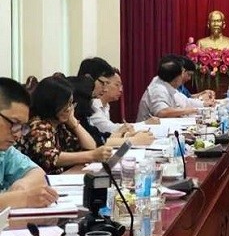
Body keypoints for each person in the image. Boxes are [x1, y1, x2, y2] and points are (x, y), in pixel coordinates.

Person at [15, 76, 112, 175]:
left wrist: (74, 123)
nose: (69, 109)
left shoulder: (59, 125)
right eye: (66, 104)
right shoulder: (38, 126)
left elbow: (90, 146)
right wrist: (92, 155)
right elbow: (52, 158)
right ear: (51, 103)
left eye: (71, 104)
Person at [0, 77, 58, 209]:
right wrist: (22, 198)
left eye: (22, 126)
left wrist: (23, 186)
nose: (18, 135)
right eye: (14, 123)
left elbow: (38, 173)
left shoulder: (5, 150)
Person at [70, 75, 154, 147]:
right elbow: (95, 142)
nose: (104, 89)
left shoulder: (85, 113)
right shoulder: (83, 112)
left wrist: (127, 135)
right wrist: (133, 140)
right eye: (117, 85)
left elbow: (99, 135)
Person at [137, 56, 198, 121]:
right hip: (149, 129)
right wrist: (191, 110)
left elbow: (185, 101)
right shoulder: (158, 89)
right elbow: (162, 112)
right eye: (182, 73)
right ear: (176, 77)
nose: (183, 77)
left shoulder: (167, 85)